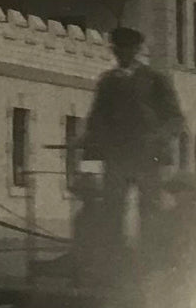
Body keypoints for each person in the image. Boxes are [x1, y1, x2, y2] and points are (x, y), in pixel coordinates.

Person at [77, 26, 186, 273]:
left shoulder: (154, 80)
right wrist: (87, 163)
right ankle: (116, 263)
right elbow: (96, 122)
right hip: (117, 157)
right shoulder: (107, 82)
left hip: (149, 157)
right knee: (112, 206)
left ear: (136, 50)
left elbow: (175, 119)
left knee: (150, 208)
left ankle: (152, 262)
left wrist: (158, 137)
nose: (121, 54)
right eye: (117, 49)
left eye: (127, 49)